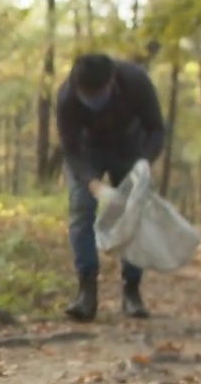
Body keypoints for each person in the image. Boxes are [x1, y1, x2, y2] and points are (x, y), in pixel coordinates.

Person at [55, 52, 166, 322]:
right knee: (82, 209)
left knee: (132, 212)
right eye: (87, 94)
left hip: (130, 147)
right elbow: (70, 149)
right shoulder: (67, 97)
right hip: (87, 150)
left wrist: (144, 164)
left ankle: (132, 290)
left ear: (112, 82)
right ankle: (86, 289)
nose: (93, 100)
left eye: (98, 93)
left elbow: (156, 128)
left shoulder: (136, 82)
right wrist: (92, 182)